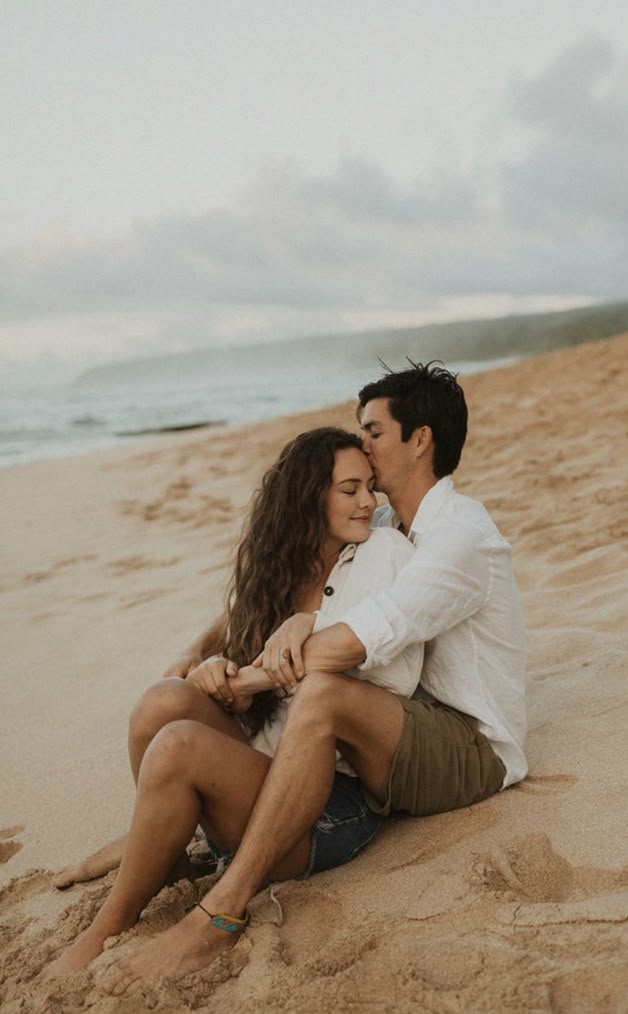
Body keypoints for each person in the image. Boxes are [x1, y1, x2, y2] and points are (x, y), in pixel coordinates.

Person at [97, 360, 527, 996]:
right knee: (167, 702)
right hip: (390, 726)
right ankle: (153, 842)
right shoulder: (383, 522)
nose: (365, 448)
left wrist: (243, 679)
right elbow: (312, 583)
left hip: (468, 744)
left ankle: (224, 907)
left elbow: (363, 638)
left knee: (321, 692)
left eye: (373, 432)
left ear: (420, 440)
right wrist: (199, 655)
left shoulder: (457, 537)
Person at [44, 427, 422, 978]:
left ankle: (106, 929)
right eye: (350, 489)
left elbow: (392, 665)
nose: (369, 501)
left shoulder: (381, 551)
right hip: (265, 768)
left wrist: (295, 640)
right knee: (160, 703)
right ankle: (168, 859)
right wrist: (212, 661)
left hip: (328, 808)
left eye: (369, 487)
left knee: (177, 748)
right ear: (307, 498)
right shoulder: (284, 570)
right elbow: (239, 634)